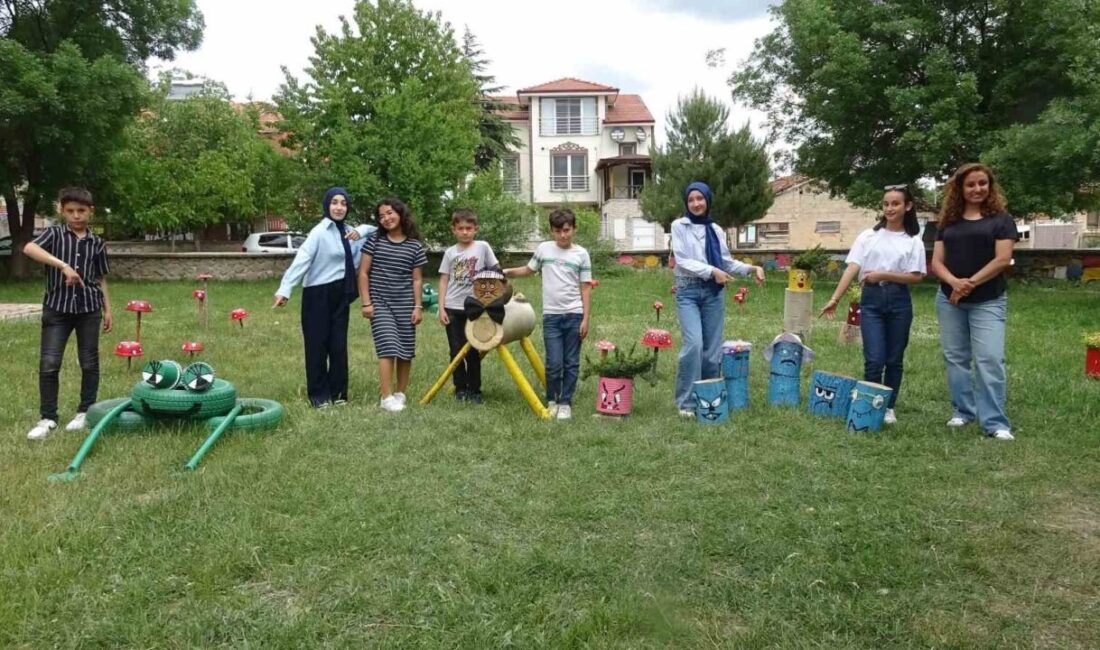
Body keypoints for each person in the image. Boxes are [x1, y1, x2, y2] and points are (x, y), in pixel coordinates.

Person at [820, 184, 927, 424]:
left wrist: (884, 275)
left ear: (907, 206)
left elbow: (917, 276)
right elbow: (853, 267)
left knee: (894, 359)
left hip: (899, 300)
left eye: (895, 204)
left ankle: (888, 407)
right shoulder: (869, 236)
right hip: (871, 301)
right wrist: (834, 299)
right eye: (886, 204)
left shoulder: (913, 241)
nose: (889, 208)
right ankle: (868, 404)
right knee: (874, 358)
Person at [930, 163, 1018, 441]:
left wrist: (968, 284)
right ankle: (963, 411)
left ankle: (995, 422)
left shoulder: (1001, 220)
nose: (977, 189)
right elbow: (936, 262)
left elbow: (1002, 259)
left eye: (982, 183)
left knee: (989, 359)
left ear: (990, 186)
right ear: (960, 188)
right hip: (949, 299)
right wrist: (954, 283)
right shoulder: (947, 222)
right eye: (971, 184)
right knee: (956, 358)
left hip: (988, 300)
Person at [22, 187, 113, 440]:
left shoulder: (97, 243)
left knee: (89, 361)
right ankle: (48, 417)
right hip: (57, 309)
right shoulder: (53, 234)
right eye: (70, 211)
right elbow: (29, 249)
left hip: (89, 309)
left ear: (90, 212)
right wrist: (63, 266)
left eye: (81, 211)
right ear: (62, 211)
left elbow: (100, 278)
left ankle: (85, 411)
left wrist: (108, 309)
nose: (76, 216)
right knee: (49, 363)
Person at [274, 187, 375, 408]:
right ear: (327, 205)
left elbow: (381, 232)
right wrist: (285, 289)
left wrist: (363, 229)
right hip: (318, 295)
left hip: (342, 294)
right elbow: (303, 259)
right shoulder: (319, 232)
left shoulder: (351, 232)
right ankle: (319, 396)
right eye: (335, 203)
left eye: (344, 203)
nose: (339, 207)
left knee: (338, 346)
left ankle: (339, 393)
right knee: (317, 345)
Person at [671, 181, 765, 417]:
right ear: (686, 202)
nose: (695, 204)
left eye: (700, 199)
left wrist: (751, 268)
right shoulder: (679, 226)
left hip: (713, 292)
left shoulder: (716, 229)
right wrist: (712, 271)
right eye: (691, 199)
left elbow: (724, 261)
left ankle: (708, 397)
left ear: (707, 200)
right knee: (694, 345)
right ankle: (686, 403)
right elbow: (682, 260)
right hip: (688, 291)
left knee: (712, 351)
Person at [504, 208, 592, 420]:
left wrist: (586, 318)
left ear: (574, 229)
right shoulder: (544, 249)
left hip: (574, 315)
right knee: (554, 362)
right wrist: (506, 271)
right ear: (551, 231)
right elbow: (529, 270)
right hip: (551, 316)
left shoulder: (581, 254)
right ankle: (553, 399)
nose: (563, 235)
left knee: (571, 362)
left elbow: (586, 287)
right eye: (558, 231)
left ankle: (565, 402)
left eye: (567, 230)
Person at [358, 197, 427, 412]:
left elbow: (416, 279)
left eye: (389, 213)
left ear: (400, 213)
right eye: (381, 216)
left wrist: (417, 307)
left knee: (405, 350)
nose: (386, 218)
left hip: (405, 304)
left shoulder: (415, 246)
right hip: (380, 304)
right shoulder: (375, 242)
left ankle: (400, 394)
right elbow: (362, 273)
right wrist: (366, 303)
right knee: (387, 347)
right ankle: (386, 397)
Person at [438, 209, 499, 403]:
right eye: (460, 228)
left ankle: (475, 390)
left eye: (469, 228)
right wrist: (441, 308)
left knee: (473, 350)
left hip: (476, 308)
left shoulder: (482, 247)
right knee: (455, 350)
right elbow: (444, 280)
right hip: (453, 307)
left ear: (476, 229)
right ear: (453, 230)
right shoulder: (450, 253)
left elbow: (496, 272)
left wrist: (492, 299)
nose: (465, 232)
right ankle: (460, 388)